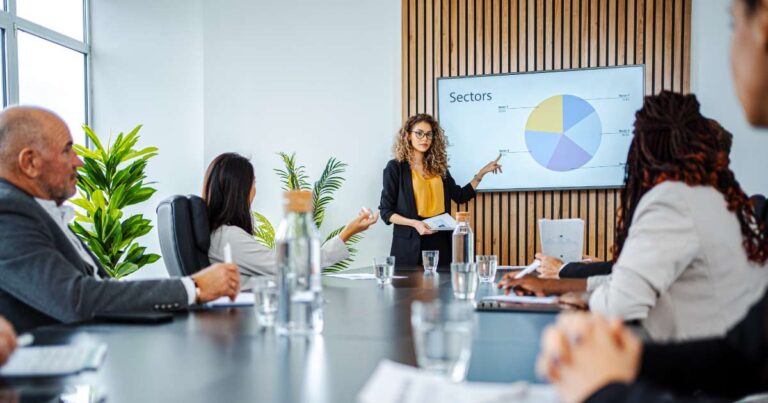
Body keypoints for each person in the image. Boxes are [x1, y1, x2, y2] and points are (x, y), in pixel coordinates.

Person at [538, 0, 768, 400]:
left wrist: (601, 383)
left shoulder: (675, 200)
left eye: (732, 24)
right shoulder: (725, 201)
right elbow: (747, 354)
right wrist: (635, 359)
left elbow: (618, 308)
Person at [0, 106, 241, 333]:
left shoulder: (41, 211)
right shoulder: (8, 211)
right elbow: (75, 298)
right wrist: (194, 287)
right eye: (67, 150)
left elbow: (99, 287)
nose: (79, 161)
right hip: (57, 362)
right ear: (30, 162)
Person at [203, 152, 378, 280]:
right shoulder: (229, 237)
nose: (255, 189)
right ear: (239, 190)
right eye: (253, 183)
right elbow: (292, 267)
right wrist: (347, 233)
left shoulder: (220, 234)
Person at [378, 113, 501, 267]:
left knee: (441, 289)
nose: (425, 138)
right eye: (419, 133)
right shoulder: (395, 168)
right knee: (409, 291)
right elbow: (386, 212)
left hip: (441, 240)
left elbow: (460, 196)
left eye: (429, 134)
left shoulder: (438, 168)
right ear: (408, 136)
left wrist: (481, 174)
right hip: (410, 243)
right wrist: (415, 224)